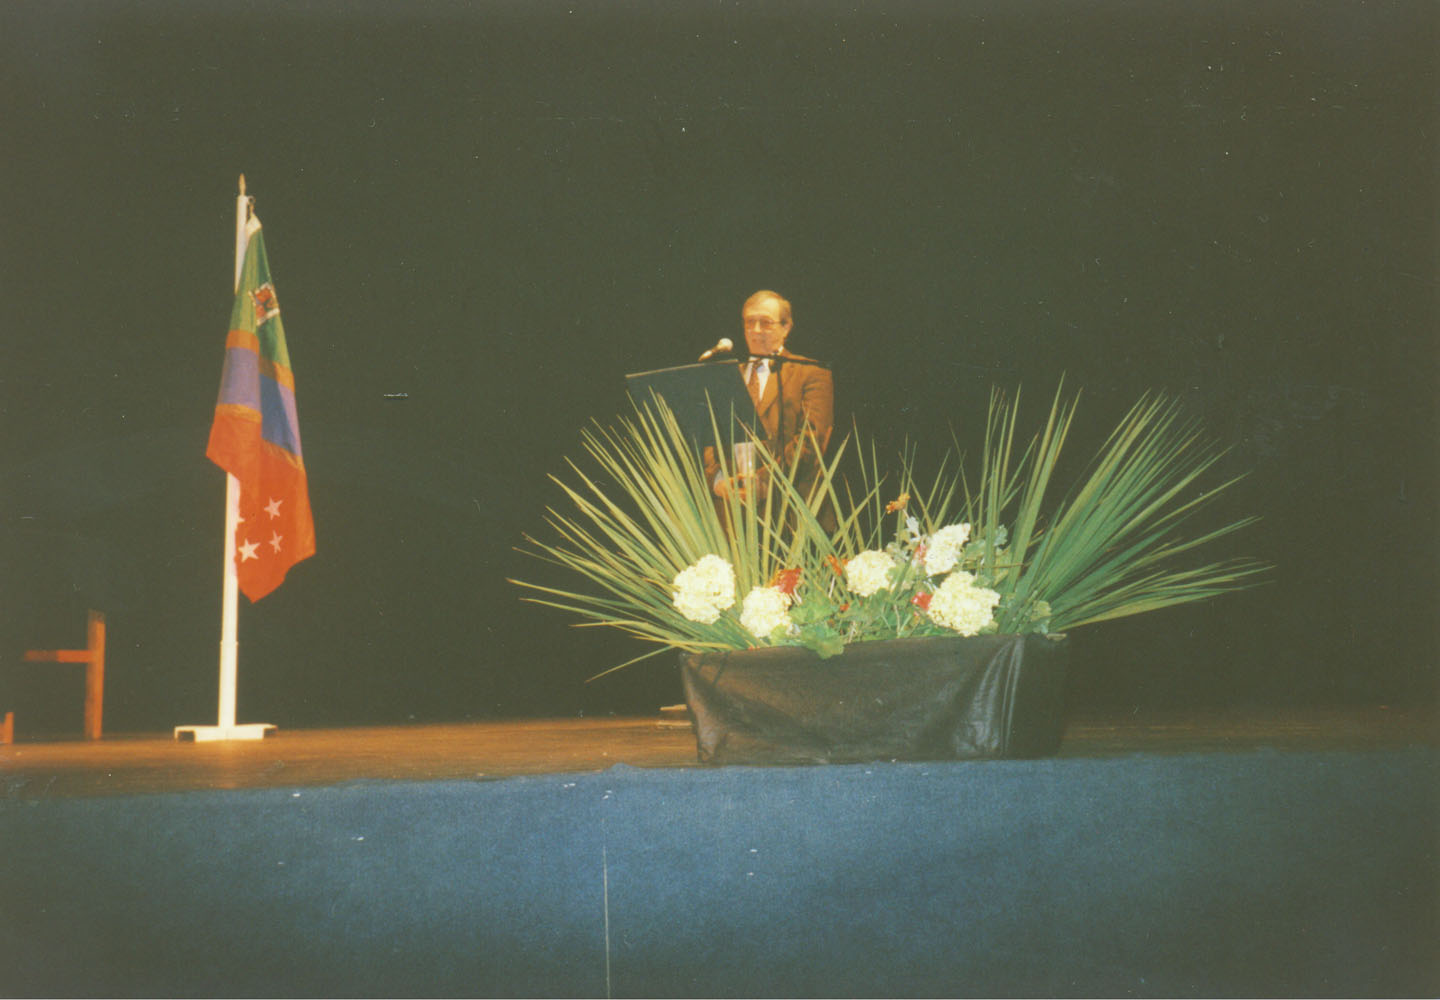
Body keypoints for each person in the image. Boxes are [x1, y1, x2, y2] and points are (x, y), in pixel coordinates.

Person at [706, 290, 834, 507]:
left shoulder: (811, 372)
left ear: (786, 328)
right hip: (731, 512)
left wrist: (765, 481)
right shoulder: (727, 376)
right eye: (749, 322)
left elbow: (811, 440)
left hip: (788, 508)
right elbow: (708, 436)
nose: (755, 331)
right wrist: (718, 481)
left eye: (765, 323)